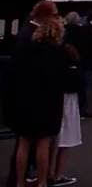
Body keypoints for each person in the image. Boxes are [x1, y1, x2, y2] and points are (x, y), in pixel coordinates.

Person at [5, 11, 70, 187]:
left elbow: (13, 74)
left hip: (25, 100)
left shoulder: (24, 49)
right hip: (47, 102)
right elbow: (64, 78)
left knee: (24, 143)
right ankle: (42, 181)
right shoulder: (57, 53)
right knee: (43, 143)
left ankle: (19, 182)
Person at [51, 34, 82, 187]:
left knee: (48, 140)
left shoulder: (47, 55)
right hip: (68, 100)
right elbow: (78, 82)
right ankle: (57, 175)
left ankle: (46, 174)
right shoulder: (69, 54)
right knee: (65, 139)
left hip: (51, 98)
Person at [62, 14, 92, 118]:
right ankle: (82, 109)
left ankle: (72, 111)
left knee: (73, 90)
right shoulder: (86, 31)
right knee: (85, 87)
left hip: (70, 65)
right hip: (87, 62)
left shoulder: (64, 33)